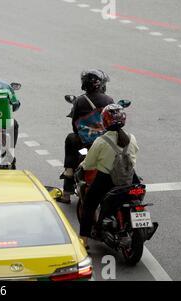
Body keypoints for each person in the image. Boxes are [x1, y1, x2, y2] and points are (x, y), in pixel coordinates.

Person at [78, 104, 139, 247]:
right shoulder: (131, 138)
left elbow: (89, 164)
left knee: (89, 205)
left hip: (106, 180)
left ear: (104, 121)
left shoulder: (101, 141)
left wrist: (82, 166)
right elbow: (134, 156)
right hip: (130, 179)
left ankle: (83, 242)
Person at [59, 69, 114, 204]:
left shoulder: (80, 101)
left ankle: (67, 186)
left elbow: (75, 124)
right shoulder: (108, 100)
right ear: (101, 85)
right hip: (106, 141)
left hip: (85, 143)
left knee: (71, 138)